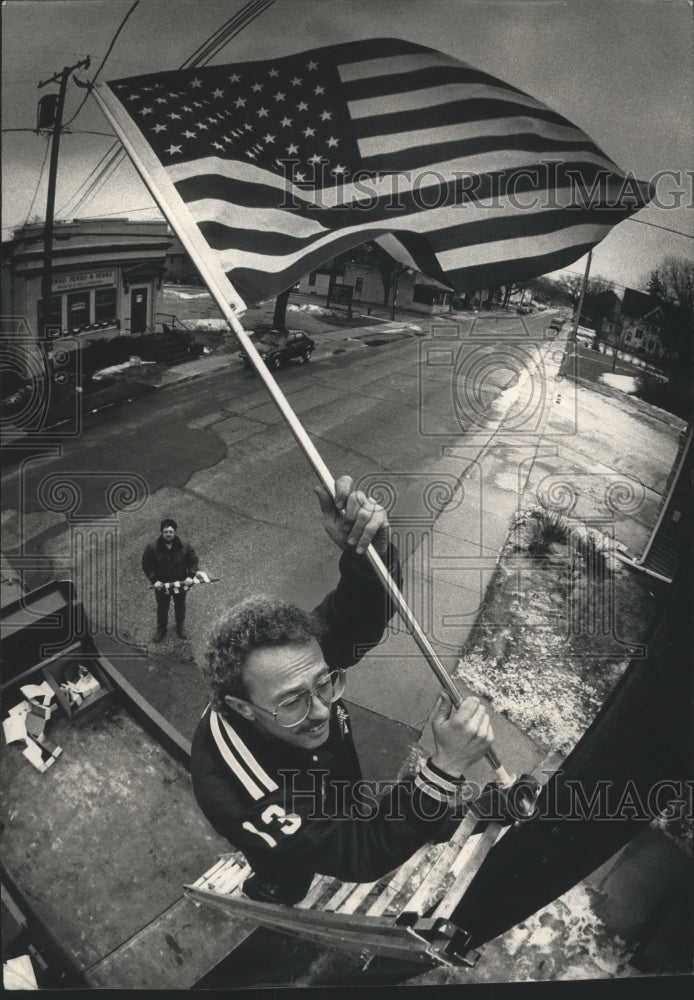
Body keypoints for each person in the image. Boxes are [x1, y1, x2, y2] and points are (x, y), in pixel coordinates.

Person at [191, 476, 494, 905]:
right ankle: (273, 889)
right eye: (293, 701)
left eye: (324, 683)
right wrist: (445, 770)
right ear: (242, 706)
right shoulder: (245, 792)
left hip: (333, 784)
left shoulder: (294, 663)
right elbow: (362, 853)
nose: (320, 711)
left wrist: (367, 556)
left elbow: (356, 618)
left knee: (350, 808)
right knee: (289, 871)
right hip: (280, 833)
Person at [141, 518, 199, 642]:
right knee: (162, 608)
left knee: (180, 606)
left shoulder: (185, 545)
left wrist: (190, 576)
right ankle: (161, 629)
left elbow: (193, 560)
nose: (168, 534)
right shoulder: (152, 547)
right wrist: (154, 580)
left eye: (171, 532)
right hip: (162, 585)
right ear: (161, 532)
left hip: (180, 583)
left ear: (175, 532)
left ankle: (180, 627)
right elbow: (146, 565)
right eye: (166, 532)